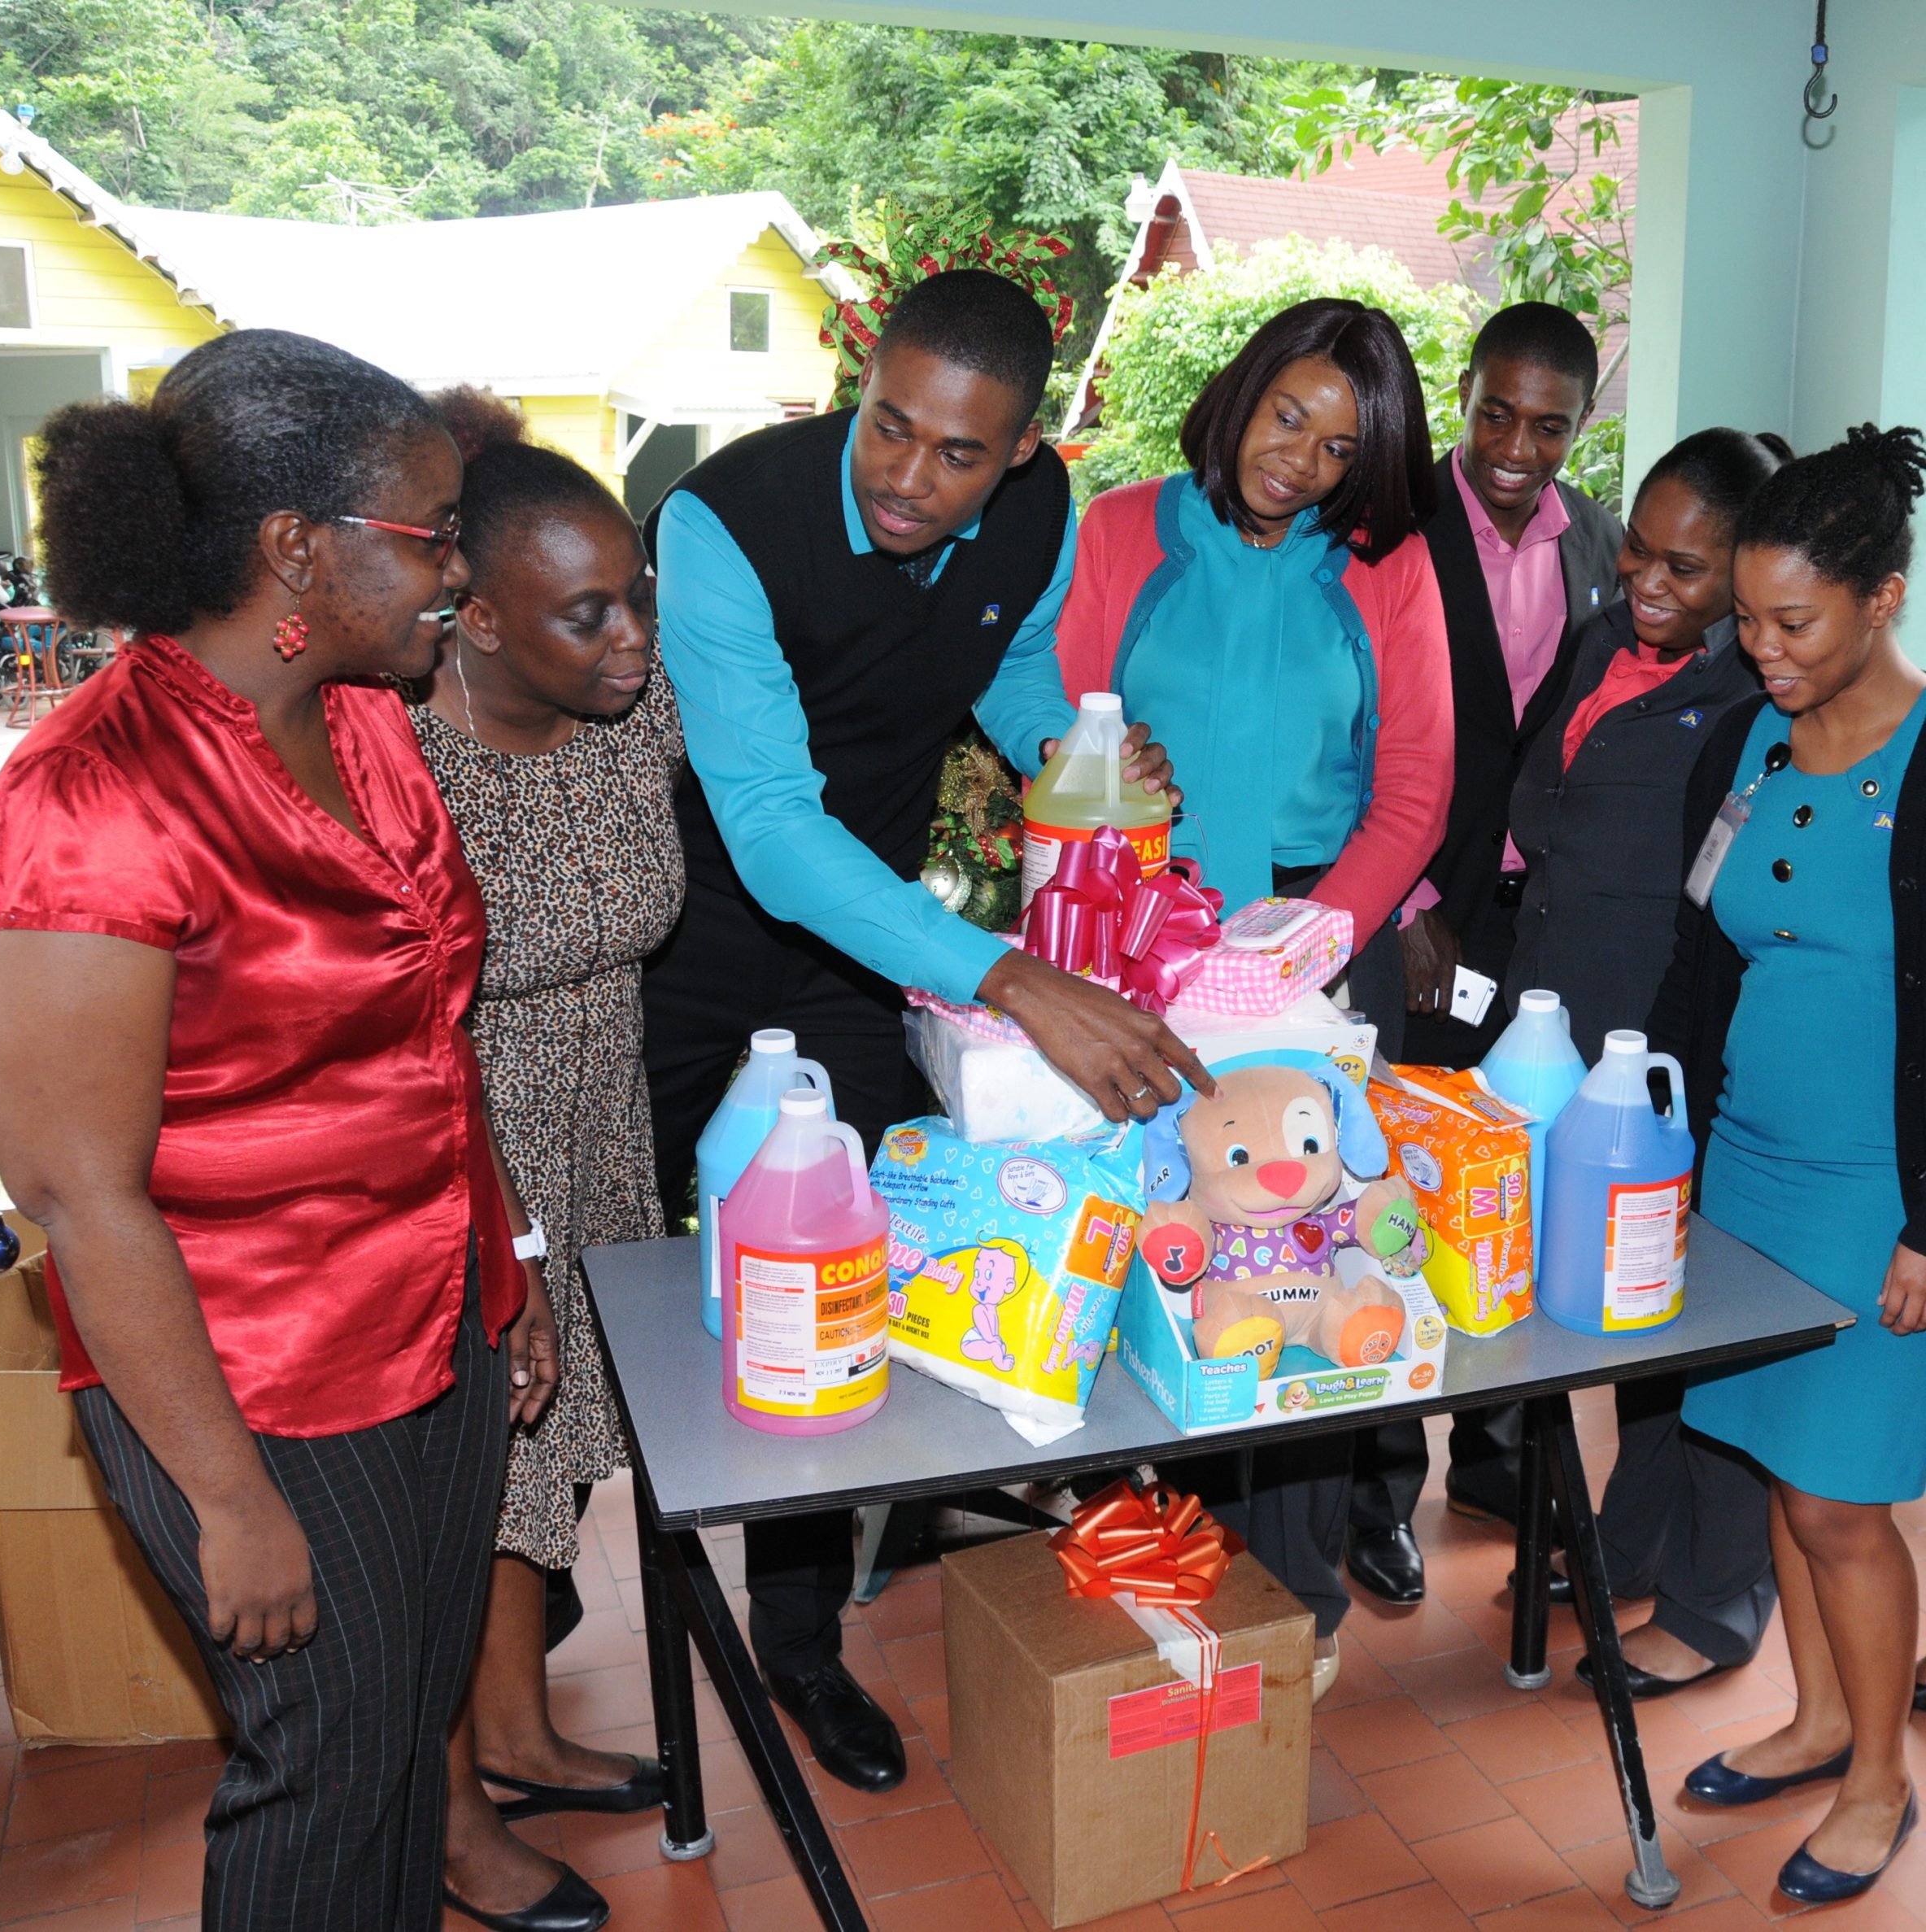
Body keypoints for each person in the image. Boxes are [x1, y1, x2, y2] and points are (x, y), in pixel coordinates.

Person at [0, 330, 566, 1932]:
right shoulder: (91, 805)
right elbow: (78, 1197)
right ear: (301, 547)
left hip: (424, 1324)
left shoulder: (366, 720)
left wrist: (507, 1271)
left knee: (400, 1718)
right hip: (253, 1388)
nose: (463, 572)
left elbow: (433, 1034)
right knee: (326, 1770)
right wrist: (228, 1501)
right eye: (434, 535)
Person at [643, 268, 1205, 1794]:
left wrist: (1075, 753)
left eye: (958, 453)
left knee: (851, 1261)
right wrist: (1004, 973)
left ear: (1023, 446)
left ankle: (803, 1631)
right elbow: (763, 822)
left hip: (864, 938)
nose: (908, 478)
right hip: (682, 933)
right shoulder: (721, 524)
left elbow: (1008, 670)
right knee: (686, 1285)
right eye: (889, 429)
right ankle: (676, 1613)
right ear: (864, 380)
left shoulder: (1040, 509)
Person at [1055, 295, 1453, 1692]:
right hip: (1149, 964)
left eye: (1344, 446)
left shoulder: (1386, 567)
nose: (1305, 459)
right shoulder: (1118, 530)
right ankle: (1183, 1567)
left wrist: (1312, 939)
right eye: (1290, 416)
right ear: (1239, 393)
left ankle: (1298, 1608)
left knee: (1299, 1273)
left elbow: (1415, 785)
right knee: (1173, 1262)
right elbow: (1060, 723)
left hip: (1313, 973)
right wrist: (1104, 764)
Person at [412, 389, 683, 1932]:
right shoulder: (400, 756)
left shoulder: (636, 709)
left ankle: (511, 1731)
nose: (630, 636)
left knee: (549, 1448)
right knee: (462, 1470)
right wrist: (486, 1230)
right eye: (585, 615)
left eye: (635, 594)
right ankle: (449, 1816)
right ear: (482, 621)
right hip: (460, 1134)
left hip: (597, 1096)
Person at [1656, 424, 1926, 1905]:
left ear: (1883, 598)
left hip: (1887, 1193)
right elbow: (1698, 965)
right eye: (1747, 617)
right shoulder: (1744, 743)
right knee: (1778, 1457)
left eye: (1792, 622)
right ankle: (1818, 1719)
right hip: (1748, 1172)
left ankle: (1882, 1782)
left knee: (1841, 1500)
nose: (1757, 647)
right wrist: (1663, 1145)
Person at [1351, 302, 1626, 1606]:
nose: (1517, 445)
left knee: (1517, 1164)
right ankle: (1378, 1484)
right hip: (1421, 912)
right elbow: (1362, 737)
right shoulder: (1393, 527)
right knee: (1399, 1180)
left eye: (1549, 422)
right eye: (1496, 412)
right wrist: (1404, 905)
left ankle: (1500, 1453)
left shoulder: (1605, 551)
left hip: (1537, 926)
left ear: (1584, 422)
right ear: (1463, 396)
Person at [1505, 429, 1784, 1694]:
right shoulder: (1596, 643)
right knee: (1606, 1315)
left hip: (1662, 1061)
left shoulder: (1759, 704)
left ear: (1747, 575)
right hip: (1555, 1038)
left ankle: (1720, 1596)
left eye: (1688, 568)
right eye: (1638, 554)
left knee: (1690, 1321)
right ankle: (1623, 1545)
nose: (1649, 585)